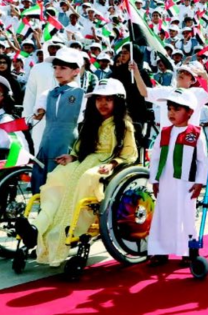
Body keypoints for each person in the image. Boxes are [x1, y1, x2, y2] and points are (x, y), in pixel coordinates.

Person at [16, 78, 137, 267]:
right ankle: (36, 229)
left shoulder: (124, 125)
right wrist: (71, 157)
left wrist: (113, 164)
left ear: (118, 101)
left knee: (88, 179)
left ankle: (69, 230)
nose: (103, 104)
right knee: (58, 176)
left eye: (108, 99)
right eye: (99, 99)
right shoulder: (91, 122)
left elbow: (129, 154)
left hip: (107, 165)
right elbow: (80, 148)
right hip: (84, 160)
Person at [146, 89, 208, 267]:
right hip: (165, 182)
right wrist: (155, 181)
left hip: (186, 183)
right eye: (169, 109)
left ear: (190, 112)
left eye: (177, 109)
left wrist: (199, 182)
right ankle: (160, 250)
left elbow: (202, 160)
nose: (171, 113)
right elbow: (156, 157)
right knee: (163, 214)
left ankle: (188, 251)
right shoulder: (164, 132)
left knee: (186, 215)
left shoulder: (196, 133)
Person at [30, 48, 85, 192]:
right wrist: (39, 112)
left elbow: (82, 119)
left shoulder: (82, 95)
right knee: (42, 182)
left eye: (63, 68)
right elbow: (38, 111)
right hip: (46, 142)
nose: (57, 72)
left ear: (76, 71)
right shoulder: (47, 94)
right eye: (55, 68)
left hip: (66, 143)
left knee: (60, 183)